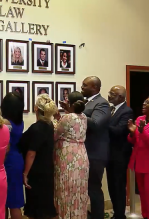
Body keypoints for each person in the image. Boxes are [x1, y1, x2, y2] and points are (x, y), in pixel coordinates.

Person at [60, 76, 110, 219]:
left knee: (94, 188)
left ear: (95, 87)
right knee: (84, 189)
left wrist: (74, 113)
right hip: (84, 153)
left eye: (85, 85)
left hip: (95, 153)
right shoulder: (87, 102)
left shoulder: (102, 104)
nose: (81, 87)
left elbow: (95, 124)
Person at [19, 94, 58, 219]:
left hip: (36, 171)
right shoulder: (50, 125)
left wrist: (25, 174)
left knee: (36, 207)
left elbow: (31, 153)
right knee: (46, 204)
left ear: (36, 108)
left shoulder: (36, 128)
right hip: (47, 168)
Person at [54, 91, 89, 219]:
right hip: (81, 154)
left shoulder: (67, 117)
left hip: (67, 155)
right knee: (79, 190)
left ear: (70, 103)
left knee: (65, 190)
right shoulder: (84, 117)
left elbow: (56, 134)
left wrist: (57, 119)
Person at [106, 86, 133, 219]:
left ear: (121, 97)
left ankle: (120, 215)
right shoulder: (111, 109)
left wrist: (103, 124)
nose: (109, 95)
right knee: (111, 185)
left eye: (112, 94)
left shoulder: (126, 111)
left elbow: (119, 131)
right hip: (109, 153)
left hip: (119, 155)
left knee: (118, 186)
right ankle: (116, 213)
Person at [1, 93, 25, 219]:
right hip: (17, 159)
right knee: (14, 201)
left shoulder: (5, 123)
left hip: (7, 161)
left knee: (6, 202)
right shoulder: (19, 121)